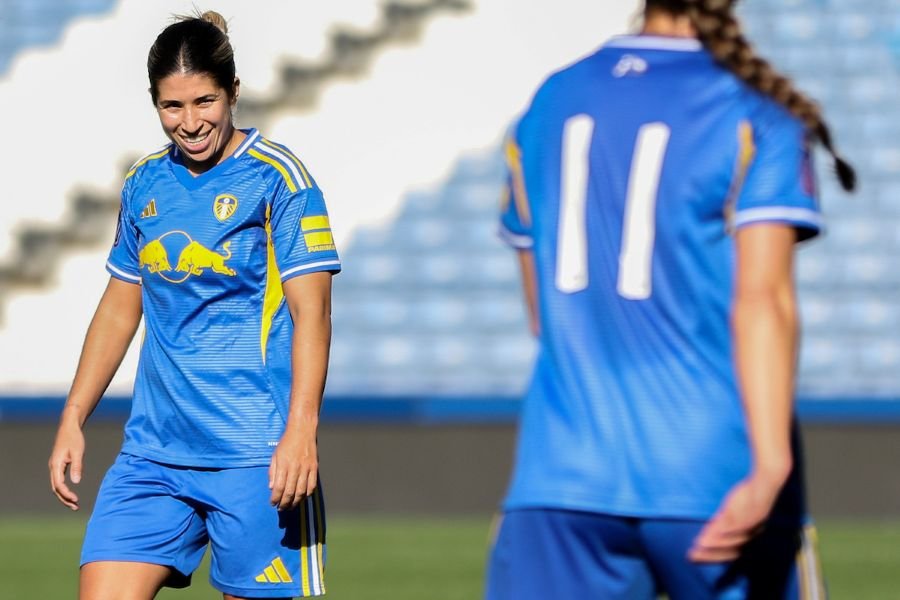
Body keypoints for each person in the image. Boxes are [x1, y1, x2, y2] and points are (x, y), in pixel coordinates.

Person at [486, 1, 855, 598]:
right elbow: (763, 303)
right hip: (713, 476)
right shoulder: (754, 112)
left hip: (559, 477)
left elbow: (542, 315)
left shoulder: (548, 100)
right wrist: (770, 468)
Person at [48, 11, 339, 599]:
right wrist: (74, 414)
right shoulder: (144, 182)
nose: (189, 122)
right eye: (171, 107)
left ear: (233, 91)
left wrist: (301, 431)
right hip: (152, 455)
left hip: (255, 458)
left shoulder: (280, 179)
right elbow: (120, 305)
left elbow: (315, 315)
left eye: (204, 101)